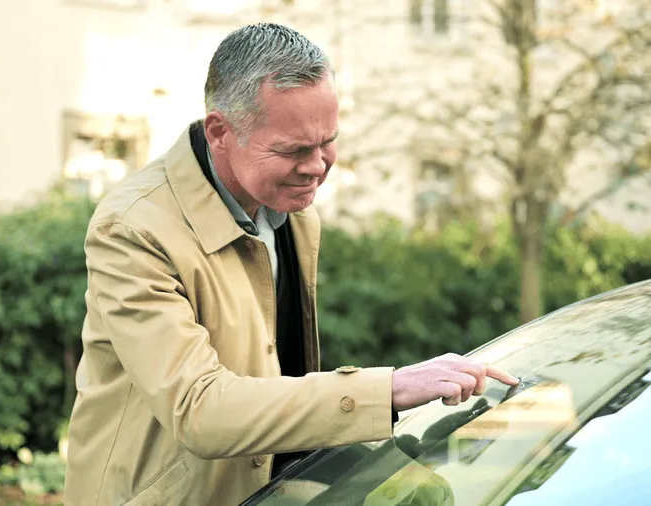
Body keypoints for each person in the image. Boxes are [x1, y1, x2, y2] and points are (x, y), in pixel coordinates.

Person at [63, 22, 518, 506]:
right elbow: (199, 409)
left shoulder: (292, 212)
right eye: (295, 149)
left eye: (328, 141)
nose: (318, 165)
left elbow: (274, 377)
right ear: (220, 132)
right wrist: (385, 389)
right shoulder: (133, 229)